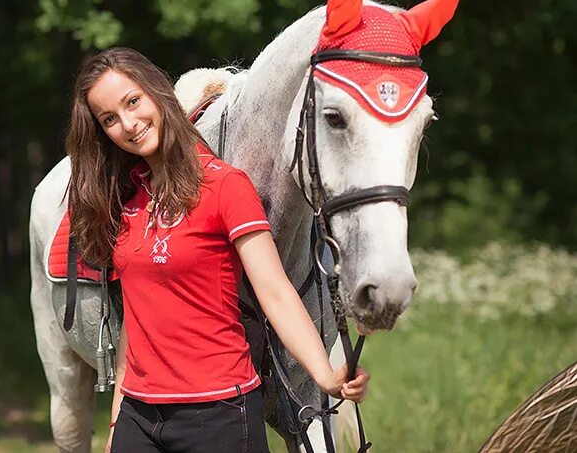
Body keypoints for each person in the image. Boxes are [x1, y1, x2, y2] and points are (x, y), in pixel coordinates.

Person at [65, 47, 370, 453]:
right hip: (139, 417)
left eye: (133, 102)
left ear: (158, 93)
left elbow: (275, 291)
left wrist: (325, 375)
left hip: (218, 412)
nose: (128, 124)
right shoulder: (129, 199)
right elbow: (135, 322)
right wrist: (119, 415)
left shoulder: (225, 186)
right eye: (110, 119)